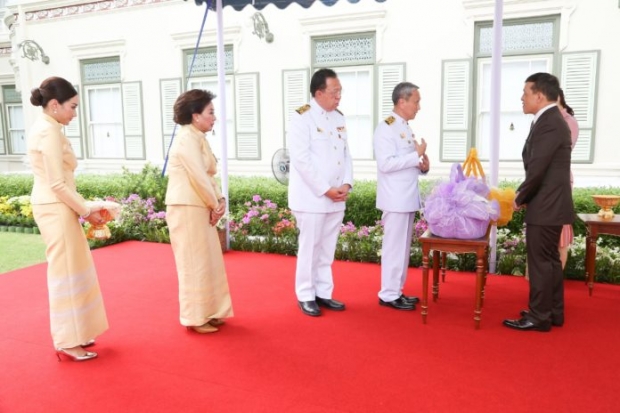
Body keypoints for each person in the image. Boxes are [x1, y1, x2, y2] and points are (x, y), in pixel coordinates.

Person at [28, 76, 109, 361]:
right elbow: (57, 183)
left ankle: (76, 333)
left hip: (58, 205)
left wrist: (84, 208)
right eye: (72, 107)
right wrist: (87, 211)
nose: (75, 113)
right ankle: (67, 340)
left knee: (73, 269)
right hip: (55, 206)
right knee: (65, 272)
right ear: (54, 105)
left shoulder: (49, 127)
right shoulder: (49, 132)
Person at [503, 72, 574, 332]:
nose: (522, 98)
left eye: (525, 93)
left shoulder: (550, 122)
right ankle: (553, 312)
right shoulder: (549, 120)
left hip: (546, 204)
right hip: (551, 203)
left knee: (541, 263)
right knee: (550, 261)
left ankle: (539, 316)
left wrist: (519, 198)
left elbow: (538, 168)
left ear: (540, 95)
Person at [165, 89, 233, 333]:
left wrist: (220, 200)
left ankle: (211, 310)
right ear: (195, 116)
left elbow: (208, 176)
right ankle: (195, 316)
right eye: (210, 112)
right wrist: (215, 205)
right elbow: (197, 177)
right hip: (186, 208)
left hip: (199, 206)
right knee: (193, 264)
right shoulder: (186, 139)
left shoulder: (197, 138)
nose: (214, 117)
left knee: (209, 262)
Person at [287, 68, 353, 317]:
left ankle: (324, 292)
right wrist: (326, 190)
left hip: (336, 196)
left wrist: (346, 183)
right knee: (310, 247)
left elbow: (346, 154)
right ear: (319, 93)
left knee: (327, 248)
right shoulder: (302, 118)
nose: (339, 97)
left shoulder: (338, 118)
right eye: (334, 92)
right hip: (312, 197)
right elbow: (301, 160)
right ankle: (305, 294)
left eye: (340, 92)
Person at [374, 82, 429, 311]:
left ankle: (397, 290)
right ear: (402, 101)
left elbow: (404, 163)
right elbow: (386, 164)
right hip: (395, 198)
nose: (418, 107)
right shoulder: (386, 127)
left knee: (403, 248)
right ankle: (388, 294)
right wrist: (415, 155)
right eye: (416, 101)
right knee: (394, 248)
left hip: (406, 197)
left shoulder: (404, 127)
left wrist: (422, 165)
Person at [557, 88, 579, 269]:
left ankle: (553, 282)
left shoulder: (568, 122)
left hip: (559, 183)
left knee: (560, 236)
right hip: (543, 183)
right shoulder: (540, 120)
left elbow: (560, 153)